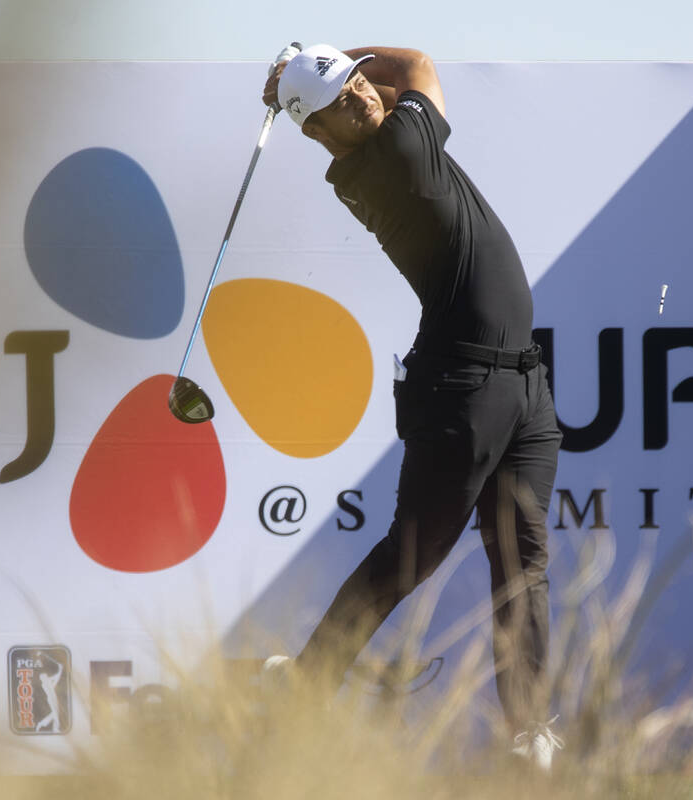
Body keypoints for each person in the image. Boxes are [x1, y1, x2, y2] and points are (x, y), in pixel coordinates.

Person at [261, 43, 563, 770]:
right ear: (318, 134)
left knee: (522, 562)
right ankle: (305, 684)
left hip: (523, 389)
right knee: (413, 553)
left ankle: (529, 732)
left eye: (359, 82)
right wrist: (352, 49)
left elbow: (394, 83)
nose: (362, 94)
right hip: (458, 387)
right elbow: (419, 66)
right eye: (341, 99)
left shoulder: (377, 141)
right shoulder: (395, 150)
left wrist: (324, 65)